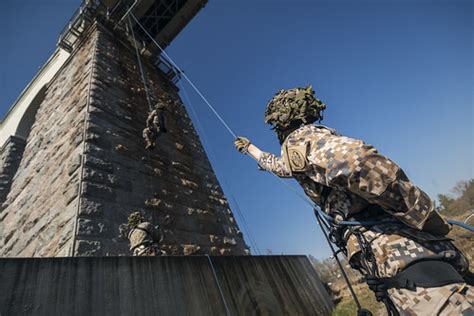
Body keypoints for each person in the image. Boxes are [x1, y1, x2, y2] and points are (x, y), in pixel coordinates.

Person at [234, 85, 473, 315]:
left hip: (403, 252)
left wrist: (424, 215)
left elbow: (358, 162)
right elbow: (278, 166)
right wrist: (250, 149)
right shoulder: (297, 147)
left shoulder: (300, 138)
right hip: (396, 257)